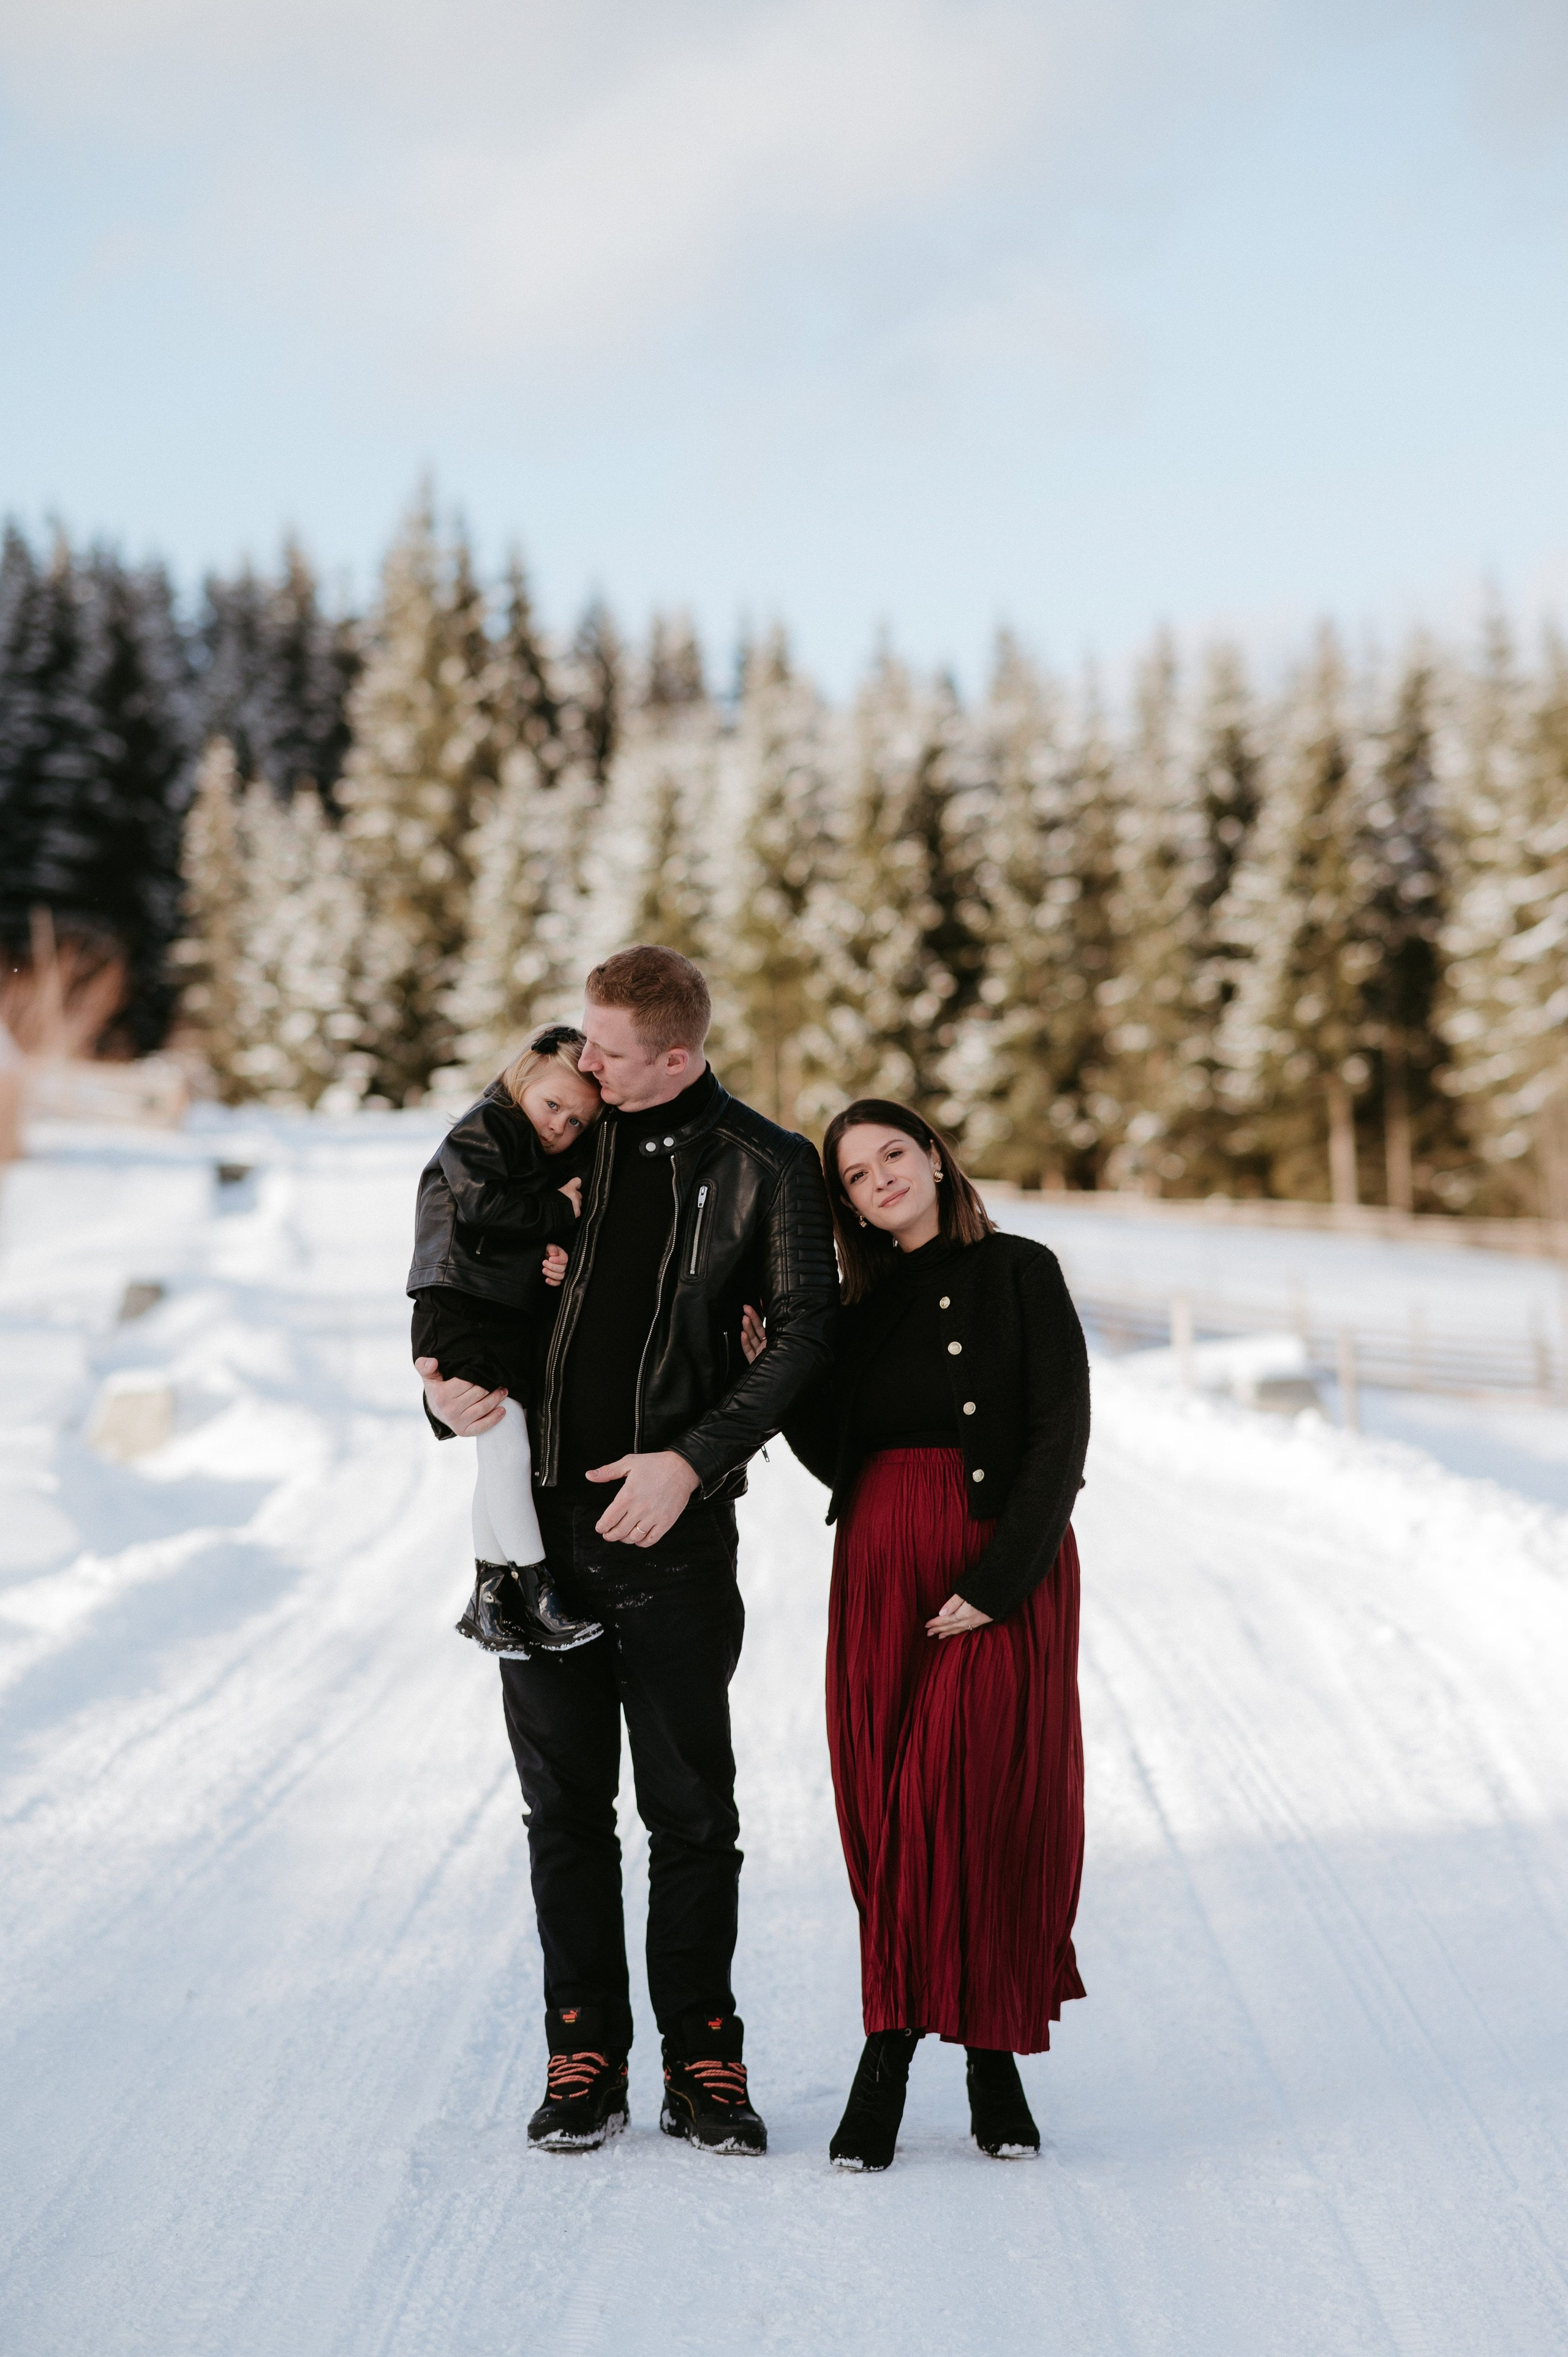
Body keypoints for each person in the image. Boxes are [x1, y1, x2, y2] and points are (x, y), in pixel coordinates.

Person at [417, 946, 838, 2157]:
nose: (579, 1062)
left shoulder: (766, 1165)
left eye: (605, 1049)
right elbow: (458, 1268)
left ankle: (704, 2054)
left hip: (672, 1538)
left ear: (675, 1054)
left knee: (691, 1810)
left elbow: (802, 1332)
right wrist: (439, 1390)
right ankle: (581, 2050)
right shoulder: (556, 1144)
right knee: (564, 1813)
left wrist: (692, 1458)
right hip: (532, 1537)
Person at [755, 1097, 1089, 2171]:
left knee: (979, 1790)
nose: (881, 1177)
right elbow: (836, 1456)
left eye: (894, 1152)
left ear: (936, 1157)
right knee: (892, 1800)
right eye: (856, 1173)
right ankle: (908, 2041)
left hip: (1002, 1564)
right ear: (847, 1202)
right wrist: (782, 1369)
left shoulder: (1023, 1270)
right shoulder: (852, 1309)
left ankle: (971, 2045)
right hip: (883, 1565)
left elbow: (1059, 1430)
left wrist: (1000, 1579)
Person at [409, 1025, 605, 1657]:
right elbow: (482, 1205)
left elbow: (510, 1238)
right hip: (459, 1310)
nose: (560, 1127)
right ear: (527, 1069)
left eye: (577, 1122)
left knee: (499, 1456)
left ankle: (490, 1600)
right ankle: (538, 1589)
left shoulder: (528, 1145)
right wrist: (557, 1212)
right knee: (508, 1452)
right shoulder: (486, 1125)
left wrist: (553, 1256)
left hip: (493, 1311)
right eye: (554, 1105)